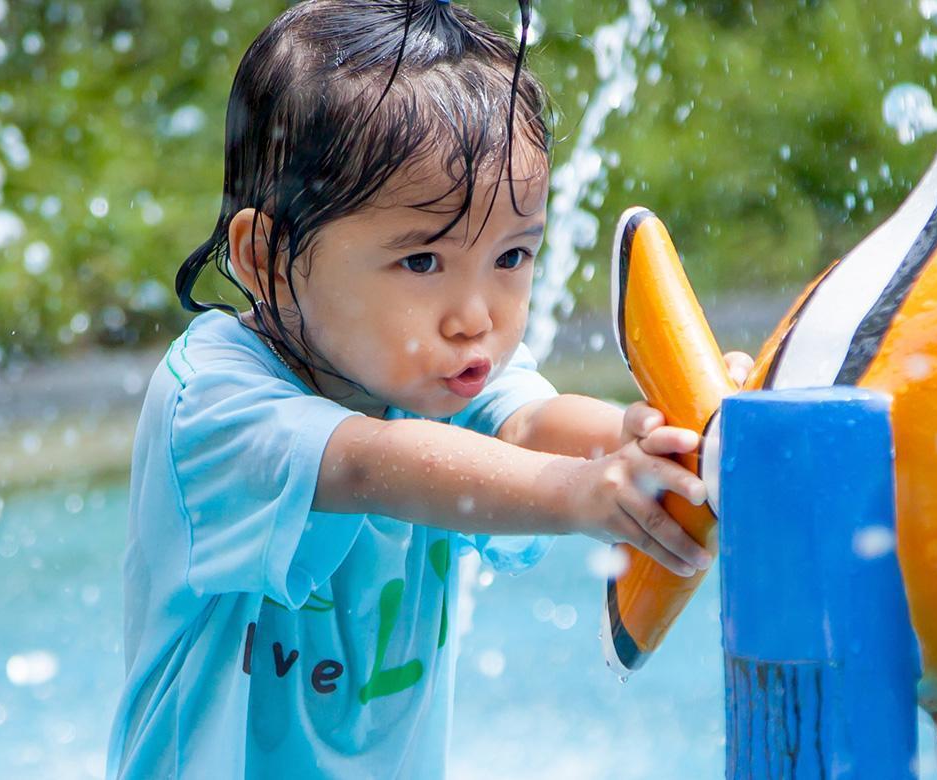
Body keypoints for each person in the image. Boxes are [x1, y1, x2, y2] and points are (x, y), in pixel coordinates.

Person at [106, 2, 741, 775]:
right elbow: (371, 466)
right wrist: (583, 492)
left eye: (511, 258)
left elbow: (530, 423)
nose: (474, 319)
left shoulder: (421, 367)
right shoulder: (211, 405)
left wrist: (651, 445)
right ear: (267, 257)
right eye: (421, 263)